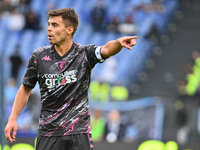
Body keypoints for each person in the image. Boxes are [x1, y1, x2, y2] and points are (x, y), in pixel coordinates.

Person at [4, 8, 137, 150]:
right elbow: (25, 89)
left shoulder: (84, 54)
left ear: (69, 30)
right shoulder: (39, 56)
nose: (49, 29)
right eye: (49, 24)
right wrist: (13, 118)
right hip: (48, 132)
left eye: (55, 25)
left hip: (79, 132)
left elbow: (105, 50)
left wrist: (118, 43)